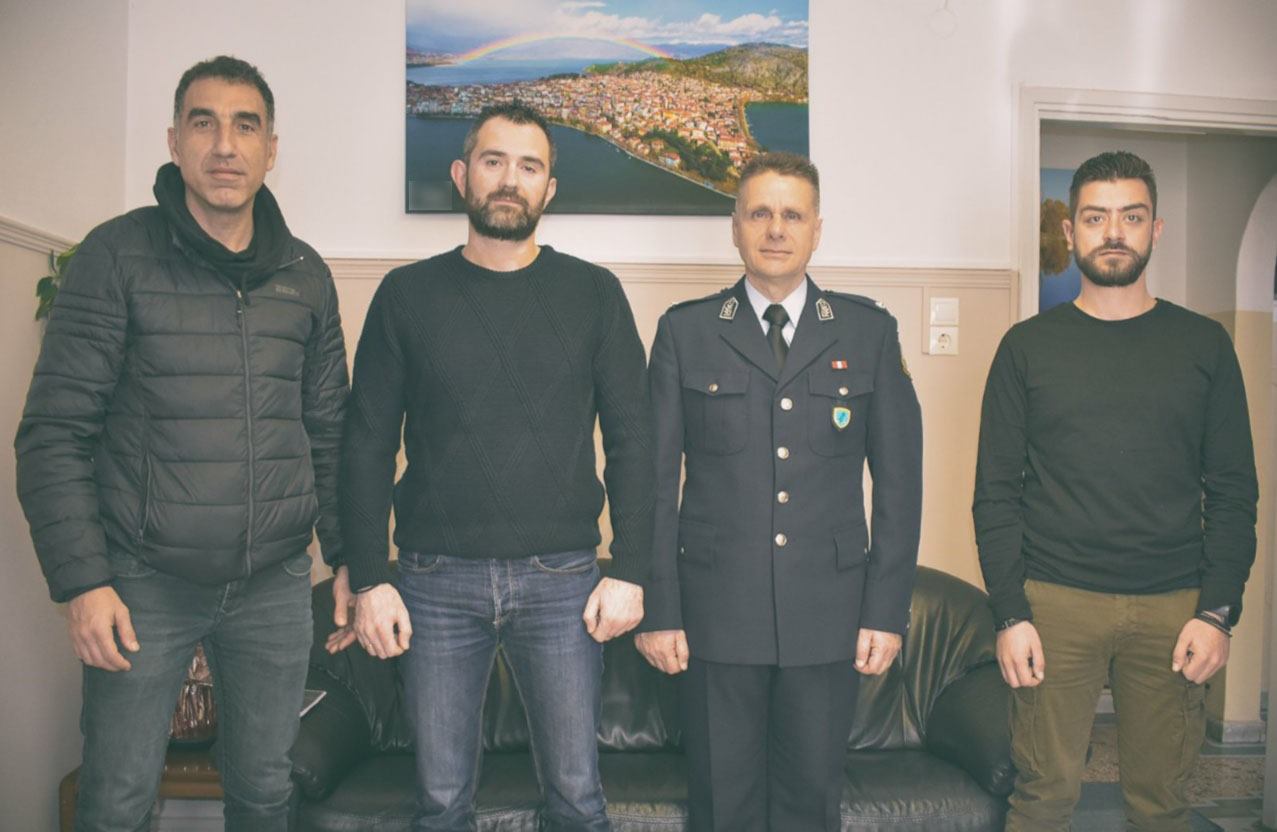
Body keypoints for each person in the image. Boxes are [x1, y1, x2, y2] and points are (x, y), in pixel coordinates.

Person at [14, 55, 348, 829]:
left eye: (245, 126)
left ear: (271, 149)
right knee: (116, 799)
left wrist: (349, 560)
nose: (225, 145)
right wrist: (82, 581)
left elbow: (330, 430)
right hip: (142, 585)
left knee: (265, 796)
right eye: (205, 123)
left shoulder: (306, 275)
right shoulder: (115, 256)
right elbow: (54, 433)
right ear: (174, 140)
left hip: (272, 586)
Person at [333, 100, 653, 831]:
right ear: (461, 175)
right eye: (493, 161)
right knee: (441, 804)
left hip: (562, 582)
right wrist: (370, 577)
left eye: (529, 166)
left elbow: (635, 439)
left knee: (577, 801)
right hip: (433, 583)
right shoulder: (405, 295)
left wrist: (633, 568)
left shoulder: (594, 294)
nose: (510, 179)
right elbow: (366, 444)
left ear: (549, 190)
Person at [635, 152, 923, 831]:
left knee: (809, 807)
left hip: (827, 615)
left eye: (792, 215)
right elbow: (653, 485)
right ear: (735, 227)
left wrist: (885, 610)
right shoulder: (684, 331)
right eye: (759, 213)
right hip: (715, 615)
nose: (775, 229)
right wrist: (659, 609)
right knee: (721, 805)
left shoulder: (868, 332)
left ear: (816, 229)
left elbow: (900, 484)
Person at [973, 150, 1258, 831]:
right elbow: (994, 494)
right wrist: (1010, 614)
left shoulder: (1204, 345)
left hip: (1175, 609)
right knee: (1041, 801)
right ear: (1069, 230)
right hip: (1053, 606)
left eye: (1130, 217)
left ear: (1154, 229)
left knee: (1162, 806)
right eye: (1096, 217)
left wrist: (1217, 611)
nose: (1113, 233)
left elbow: (1232, 490)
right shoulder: (1025, 348)